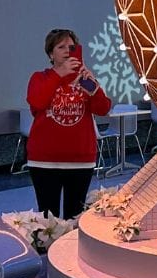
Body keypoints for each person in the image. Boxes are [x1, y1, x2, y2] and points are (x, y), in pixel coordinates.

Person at [25, 28, 111, 219]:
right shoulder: (40, 78)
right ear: (50, 54)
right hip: (44, 161)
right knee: (47, 219)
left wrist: (91, 84)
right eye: (61, 46)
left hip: (80, 160)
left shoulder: (84, 80)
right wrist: (59, 74)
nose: (66, 50)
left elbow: (103, 108)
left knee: (75, 218)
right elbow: (37, 102)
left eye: (71, 47)